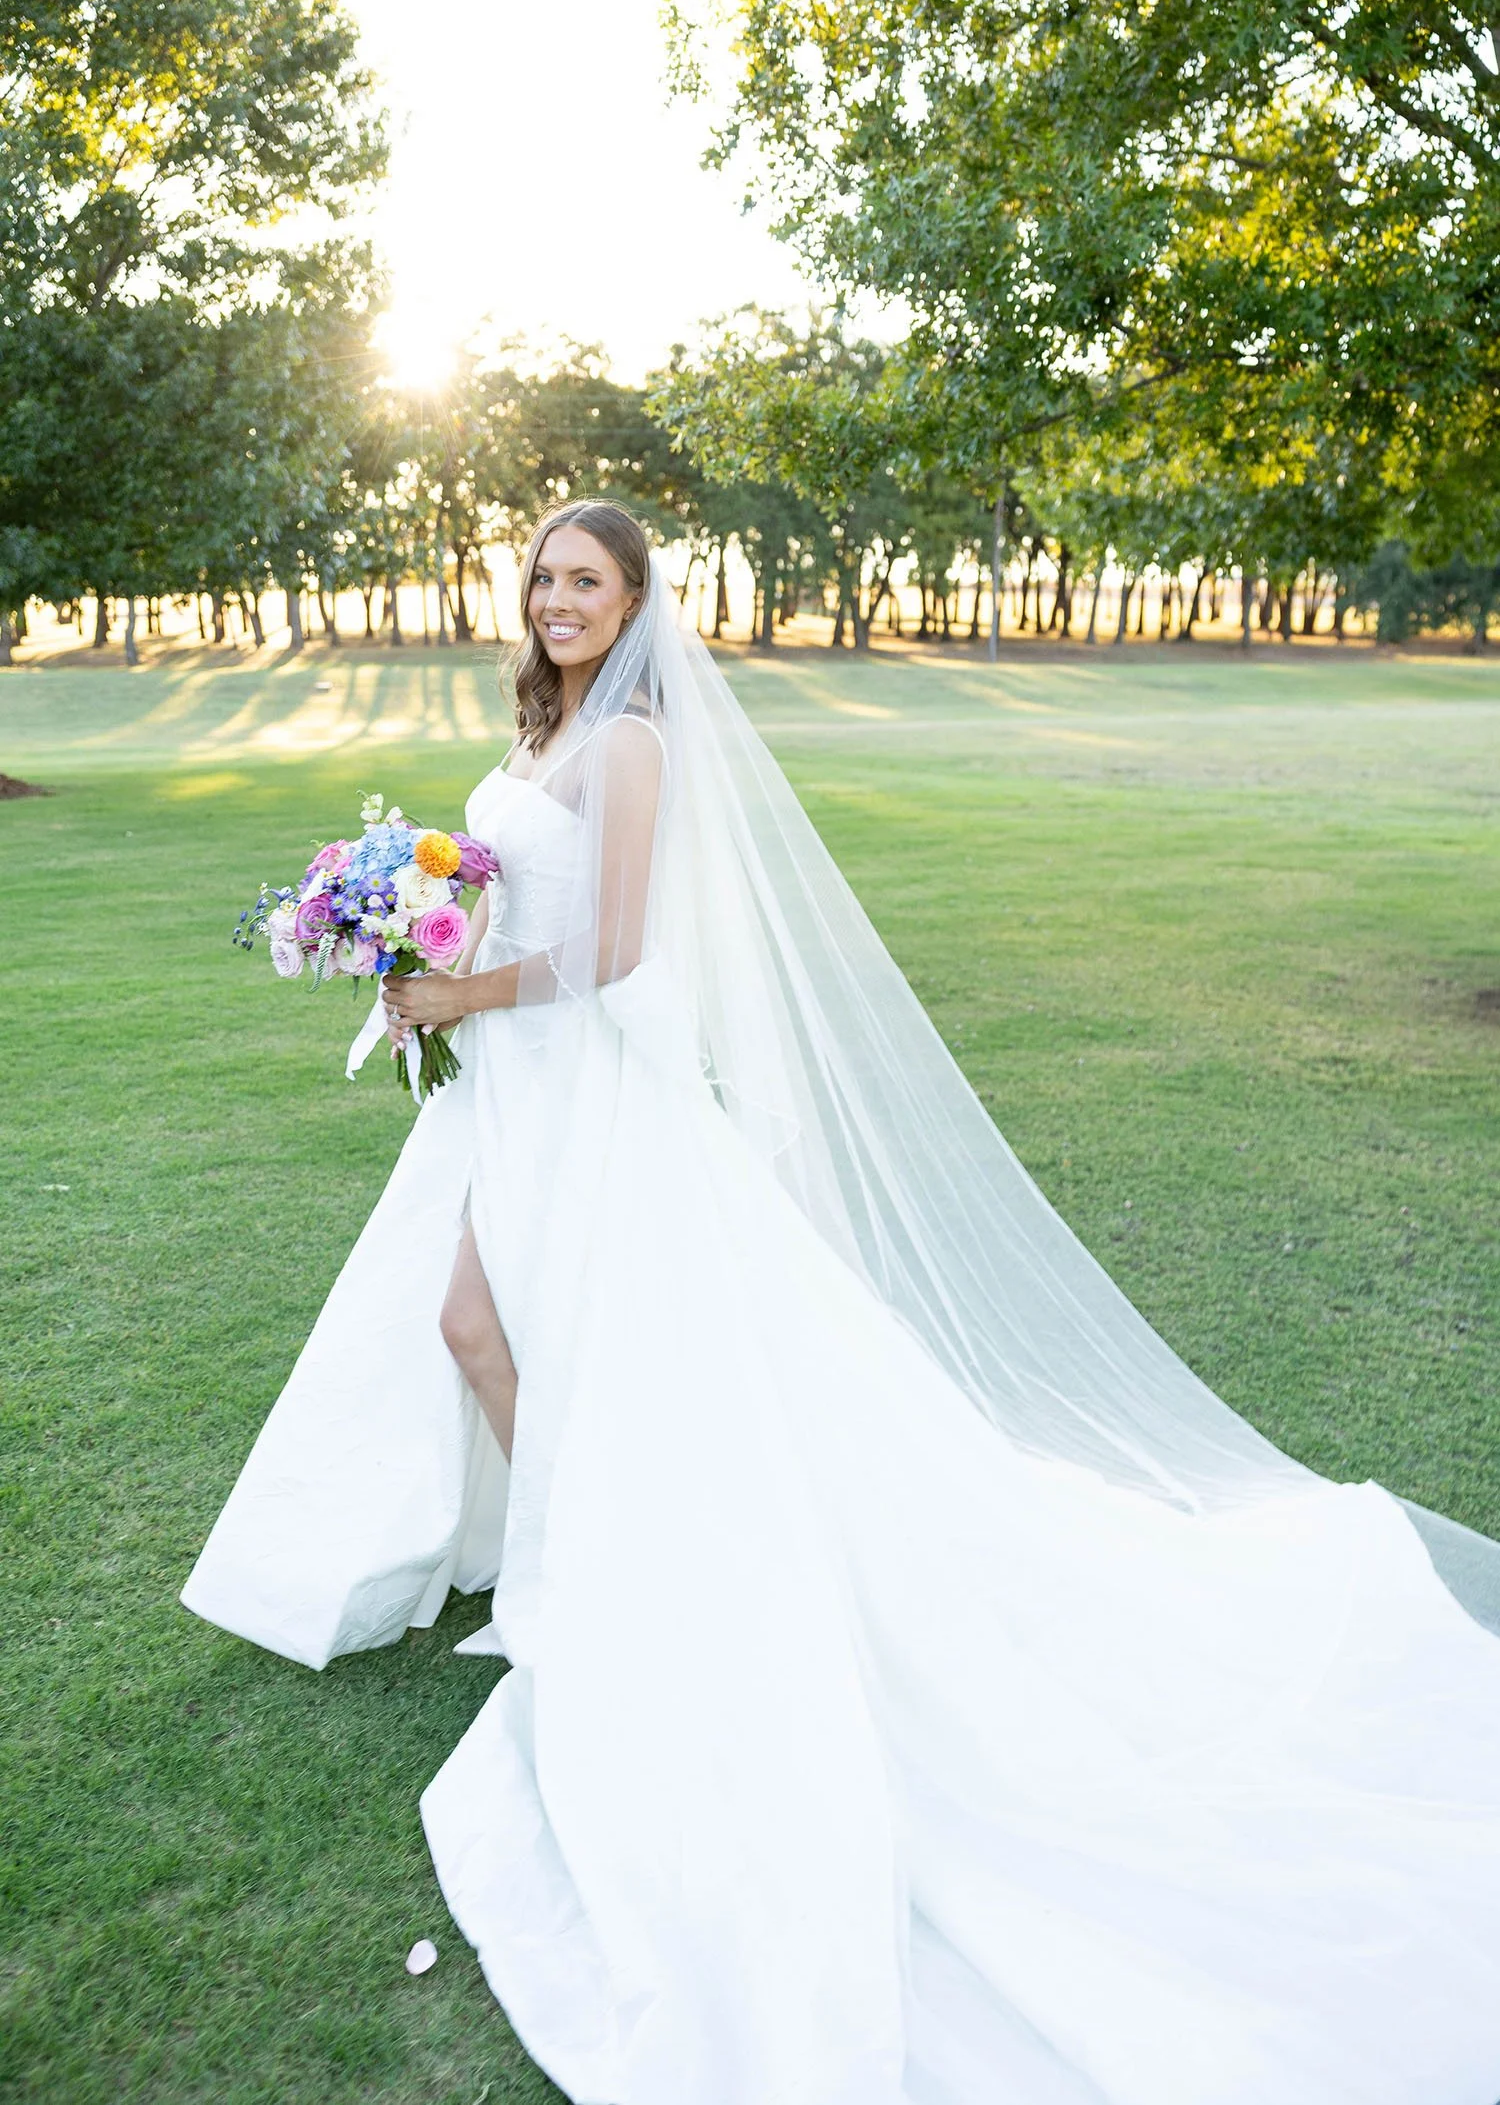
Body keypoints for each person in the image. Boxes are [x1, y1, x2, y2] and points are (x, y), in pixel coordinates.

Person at [185, 499, 1500, 2105]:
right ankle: (577, 1560)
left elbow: (612, 952)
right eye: (542, 577)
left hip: (592, 1093)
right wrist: (413, 923)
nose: (558, 597)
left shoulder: (641, 744)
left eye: (586, 579)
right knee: (479, 1329)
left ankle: (602, 1573)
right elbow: (501, 889)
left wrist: (461, 982)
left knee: (558, 1339)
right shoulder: (540, 733)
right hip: (509, 1098)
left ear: (636, 598)